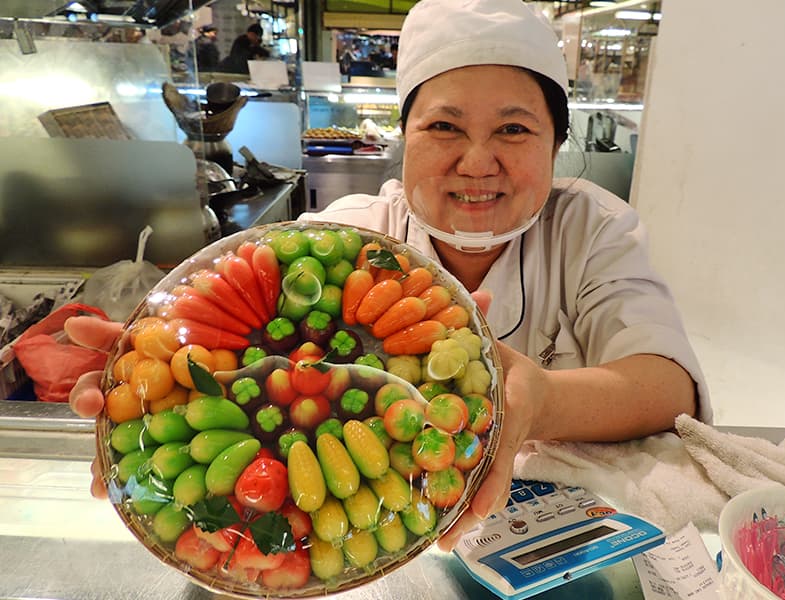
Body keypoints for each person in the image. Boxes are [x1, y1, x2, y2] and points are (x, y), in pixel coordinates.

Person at [67, 0, 710, 550]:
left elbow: (667, 383)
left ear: (555, 142)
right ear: (406, 136)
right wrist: (161, 378)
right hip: (389, 534)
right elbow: (234, 344)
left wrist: (538, 401)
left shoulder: (593, 227)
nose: (477, 162)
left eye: (513, 129)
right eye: (444, 127)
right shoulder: (349, 240)